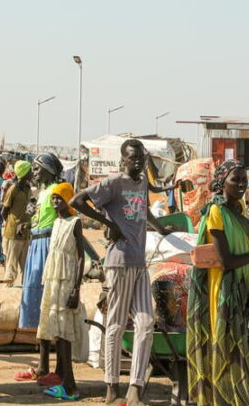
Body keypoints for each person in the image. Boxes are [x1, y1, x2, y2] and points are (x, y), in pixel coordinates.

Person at [71, 139, 173, 406]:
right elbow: (77, 200)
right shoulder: (113, 183)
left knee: (146, 323)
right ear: (123, 159)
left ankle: (136, 387)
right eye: (133, 157)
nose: (138, 161)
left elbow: (143, 210)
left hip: (139, 263)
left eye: (141, 157)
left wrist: (162, 229)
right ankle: (111, 387)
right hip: (119, 262)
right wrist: (108, 223)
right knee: (115, 325)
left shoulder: (141, 183)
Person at [186, 161, 249, 406]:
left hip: (241, 290)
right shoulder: (216, 212)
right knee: (227, 348)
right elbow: (226, 261)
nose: (242, 184)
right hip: (223, 291)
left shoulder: (240, 210)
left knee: (236, 348)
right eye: (236, 180)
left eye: (245, 180)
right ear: (222, 182)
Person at [14, 153, 64, 387]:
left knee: (47, 304)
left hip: (47, 247)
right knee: (38, 305)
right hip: (36, 245)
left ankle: (48, 366)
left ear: (49, 170)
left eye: (37, 167)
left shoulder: (57, 190)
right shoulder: (43, 192)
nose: (34, 172)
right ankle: (43, 365)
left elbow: (64, 222)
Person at [37, 183, 87, 401]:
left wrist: (76, 288)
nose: (56, 202)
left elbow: (80, 257)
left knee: (65, 333)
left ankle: (70, 386)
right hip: (53, 282)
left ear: (69, 200)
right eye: (54, 198)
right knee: (57, 330)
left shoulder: (75, 223)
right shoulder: (56, 222)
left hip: (67, 283)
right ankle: (64, 379)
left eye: (60, 198)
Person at [2, 160, 32, 285]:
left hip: (25, 229)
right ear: (24, 173)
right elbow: (4, 210)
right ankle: (8, 286)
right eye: (30, 170)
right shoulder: (13, 189)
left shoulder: (28, 188)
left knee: (26, 261)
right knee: (12, 260)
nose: (32, 173)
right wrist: (12, 224)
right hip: (14, 230)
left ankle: (26, 287)